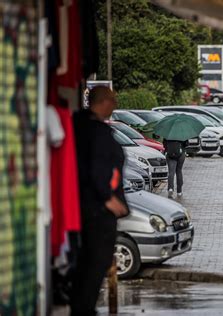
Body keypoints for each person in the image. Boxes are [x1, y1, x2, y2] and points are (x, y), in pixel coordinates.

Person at [71, 86, 129, 316]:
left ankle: (82, 307)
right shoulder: (96, 132)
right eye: (113, 100)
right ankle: (84, 309)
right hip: (98, 211)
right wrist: (108, 199)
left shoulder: (79, 125)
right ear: (103, 101)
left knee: (87, 261)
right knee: (96, 261)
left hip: (85, 206)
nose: (115, 105)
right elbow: (96, 169)